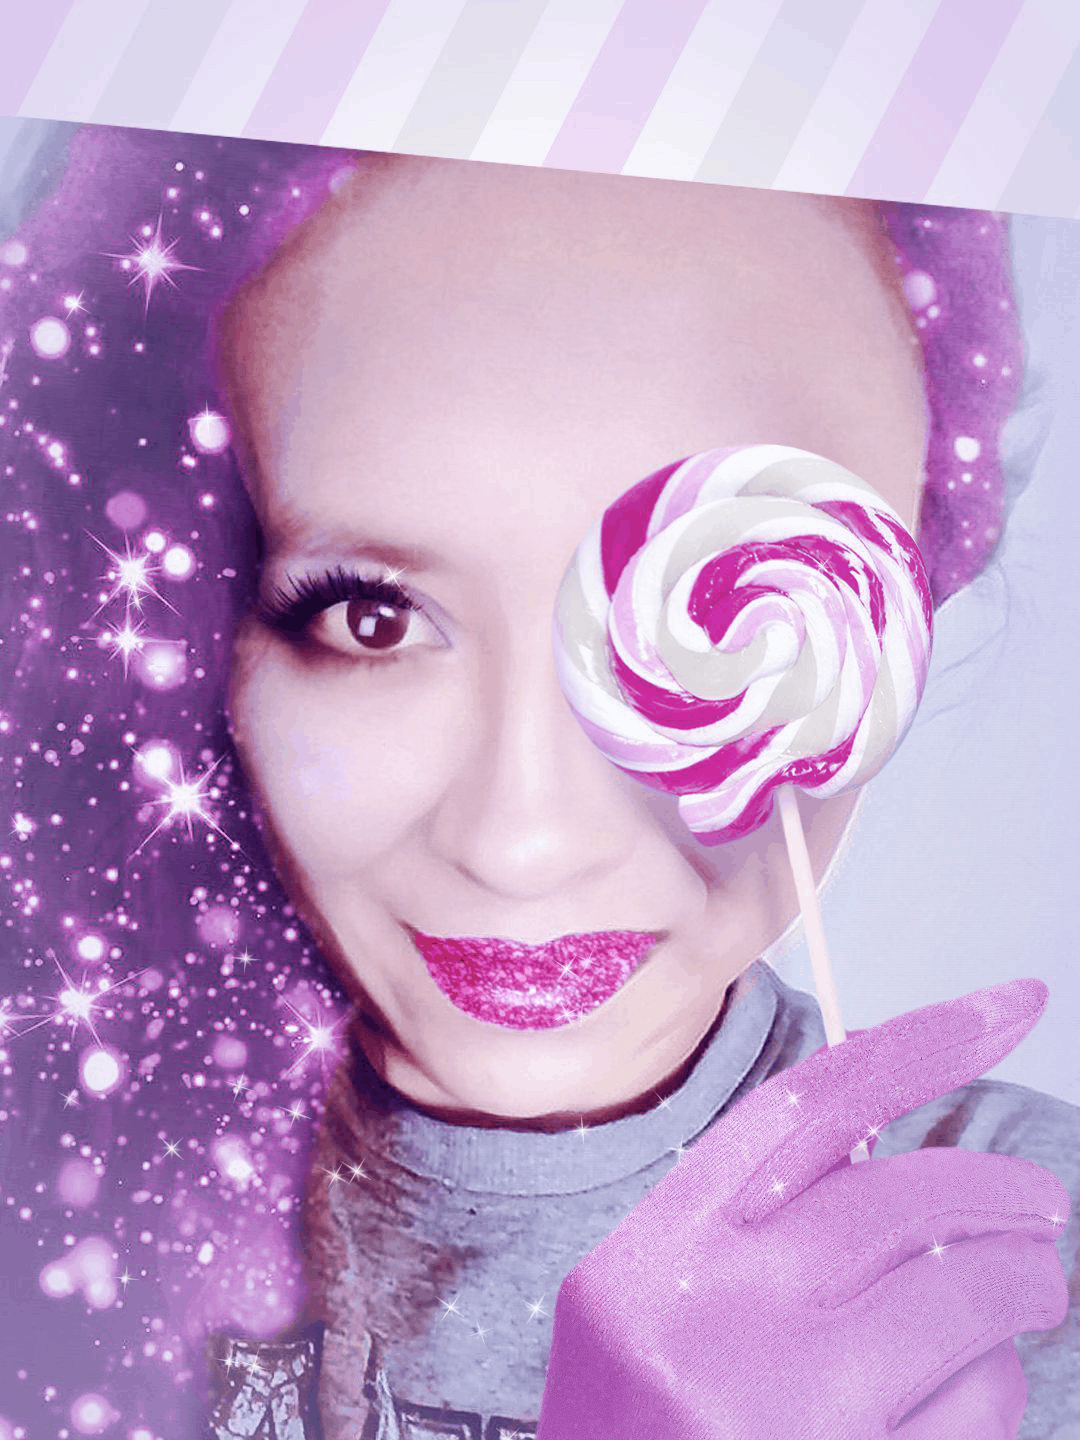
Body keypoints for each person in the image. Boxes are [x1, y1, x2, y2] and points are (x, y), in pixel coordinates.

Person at [0, 125, 1076, 1440]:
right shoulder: (51, 1231)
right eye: (373, 618)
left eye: (718, 622)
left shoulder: (1033, 1266)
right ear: (208, 637)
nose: (522, 843)